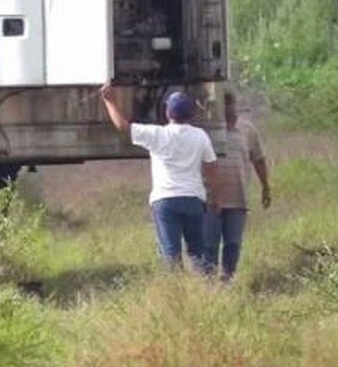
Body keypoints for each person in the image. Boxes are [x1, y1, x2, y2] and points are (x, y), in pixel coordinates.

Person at [100, 83, 218, 271]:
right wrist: (213, 197)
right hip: (193, 199)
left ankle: (173, 291)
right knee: (197, 251)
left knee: (171, 252)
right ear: (191, 114)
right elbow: (212, 168)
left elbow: (123, 126)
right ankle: (203, 287)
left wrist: (110, 101)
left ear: (168, 113)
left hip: (165, 200)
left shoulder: (157, 134)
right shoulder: (200, 136)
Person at [202, 90, 271, 281]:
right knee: (209, 243)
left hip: (237, 197)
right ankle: (208, 283)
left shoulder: (247, 130)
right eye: (225, 107)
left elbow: (258, 159)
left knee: (233, 243)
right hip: (210, 198)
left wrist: (265, 186)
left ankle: (227, 279)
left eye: (231, 106)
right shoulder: (207, 130)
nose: (230, 111)